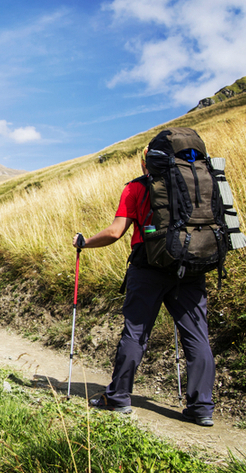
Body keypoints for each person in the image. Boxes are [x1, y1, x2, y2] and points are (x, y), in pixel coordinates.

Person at [72, 144, 216, 427]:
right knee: (197, 336)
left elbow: (115, 232)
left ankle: (118, 397)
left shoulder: (136, 188)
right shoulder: (201, 182)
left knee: (136, 332)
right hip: (191, 267)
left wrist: (85, 242)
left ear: (144, 162)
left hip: (148, 268)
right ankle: (201, 407)